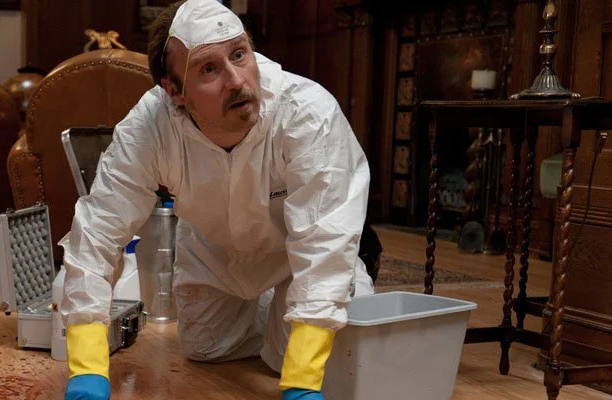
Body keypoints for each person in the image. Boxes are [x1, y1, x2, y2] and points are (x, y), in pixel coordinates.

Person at [57, 0, 375, 399]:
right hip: (214, 253)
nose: (237, 81)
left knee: (297, 359)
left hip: (296, 256)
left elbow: (324, 240)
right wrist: (87, 369)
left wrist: (302, 381)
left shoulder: (308, 114)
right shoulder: (149, 128)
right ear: (173, 91)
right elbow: (97, 233)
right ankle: (272, 316)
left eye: (239, 55)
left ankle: (302, 308)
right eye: (208, 69)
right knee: (206, 347)